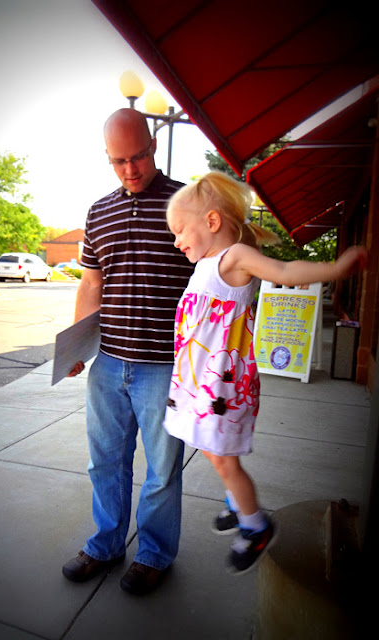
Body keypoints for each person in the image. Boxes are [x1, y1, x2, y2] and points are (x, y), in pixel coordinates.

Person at [163, 171, 367, 575]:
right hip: (200, 382)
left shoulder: (233, 258)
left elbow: (285, 272)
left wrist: (336, 268)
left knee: (225, 459)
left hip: (222, 387)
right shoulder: (207, 263)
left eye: (180, 230)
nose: (176, 241)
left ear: (212, 221)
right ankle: (236, 501)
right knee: (212, 449)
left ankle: (256, 525)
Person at [62, 108, 194, 595]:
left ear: (153, 145)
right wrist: (76, 344)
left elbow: (212, 273)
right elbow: (91, 283)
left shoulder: (187, 203)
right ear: (107, 157)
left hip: (165, 366)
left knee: (162, 470)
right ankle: (105, 545)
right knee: (105, 462)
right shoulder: (99, 211)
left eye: (137, 156)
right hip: (109, 362)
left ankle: (154, 554)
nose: (130, 169)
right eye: (118, 161)